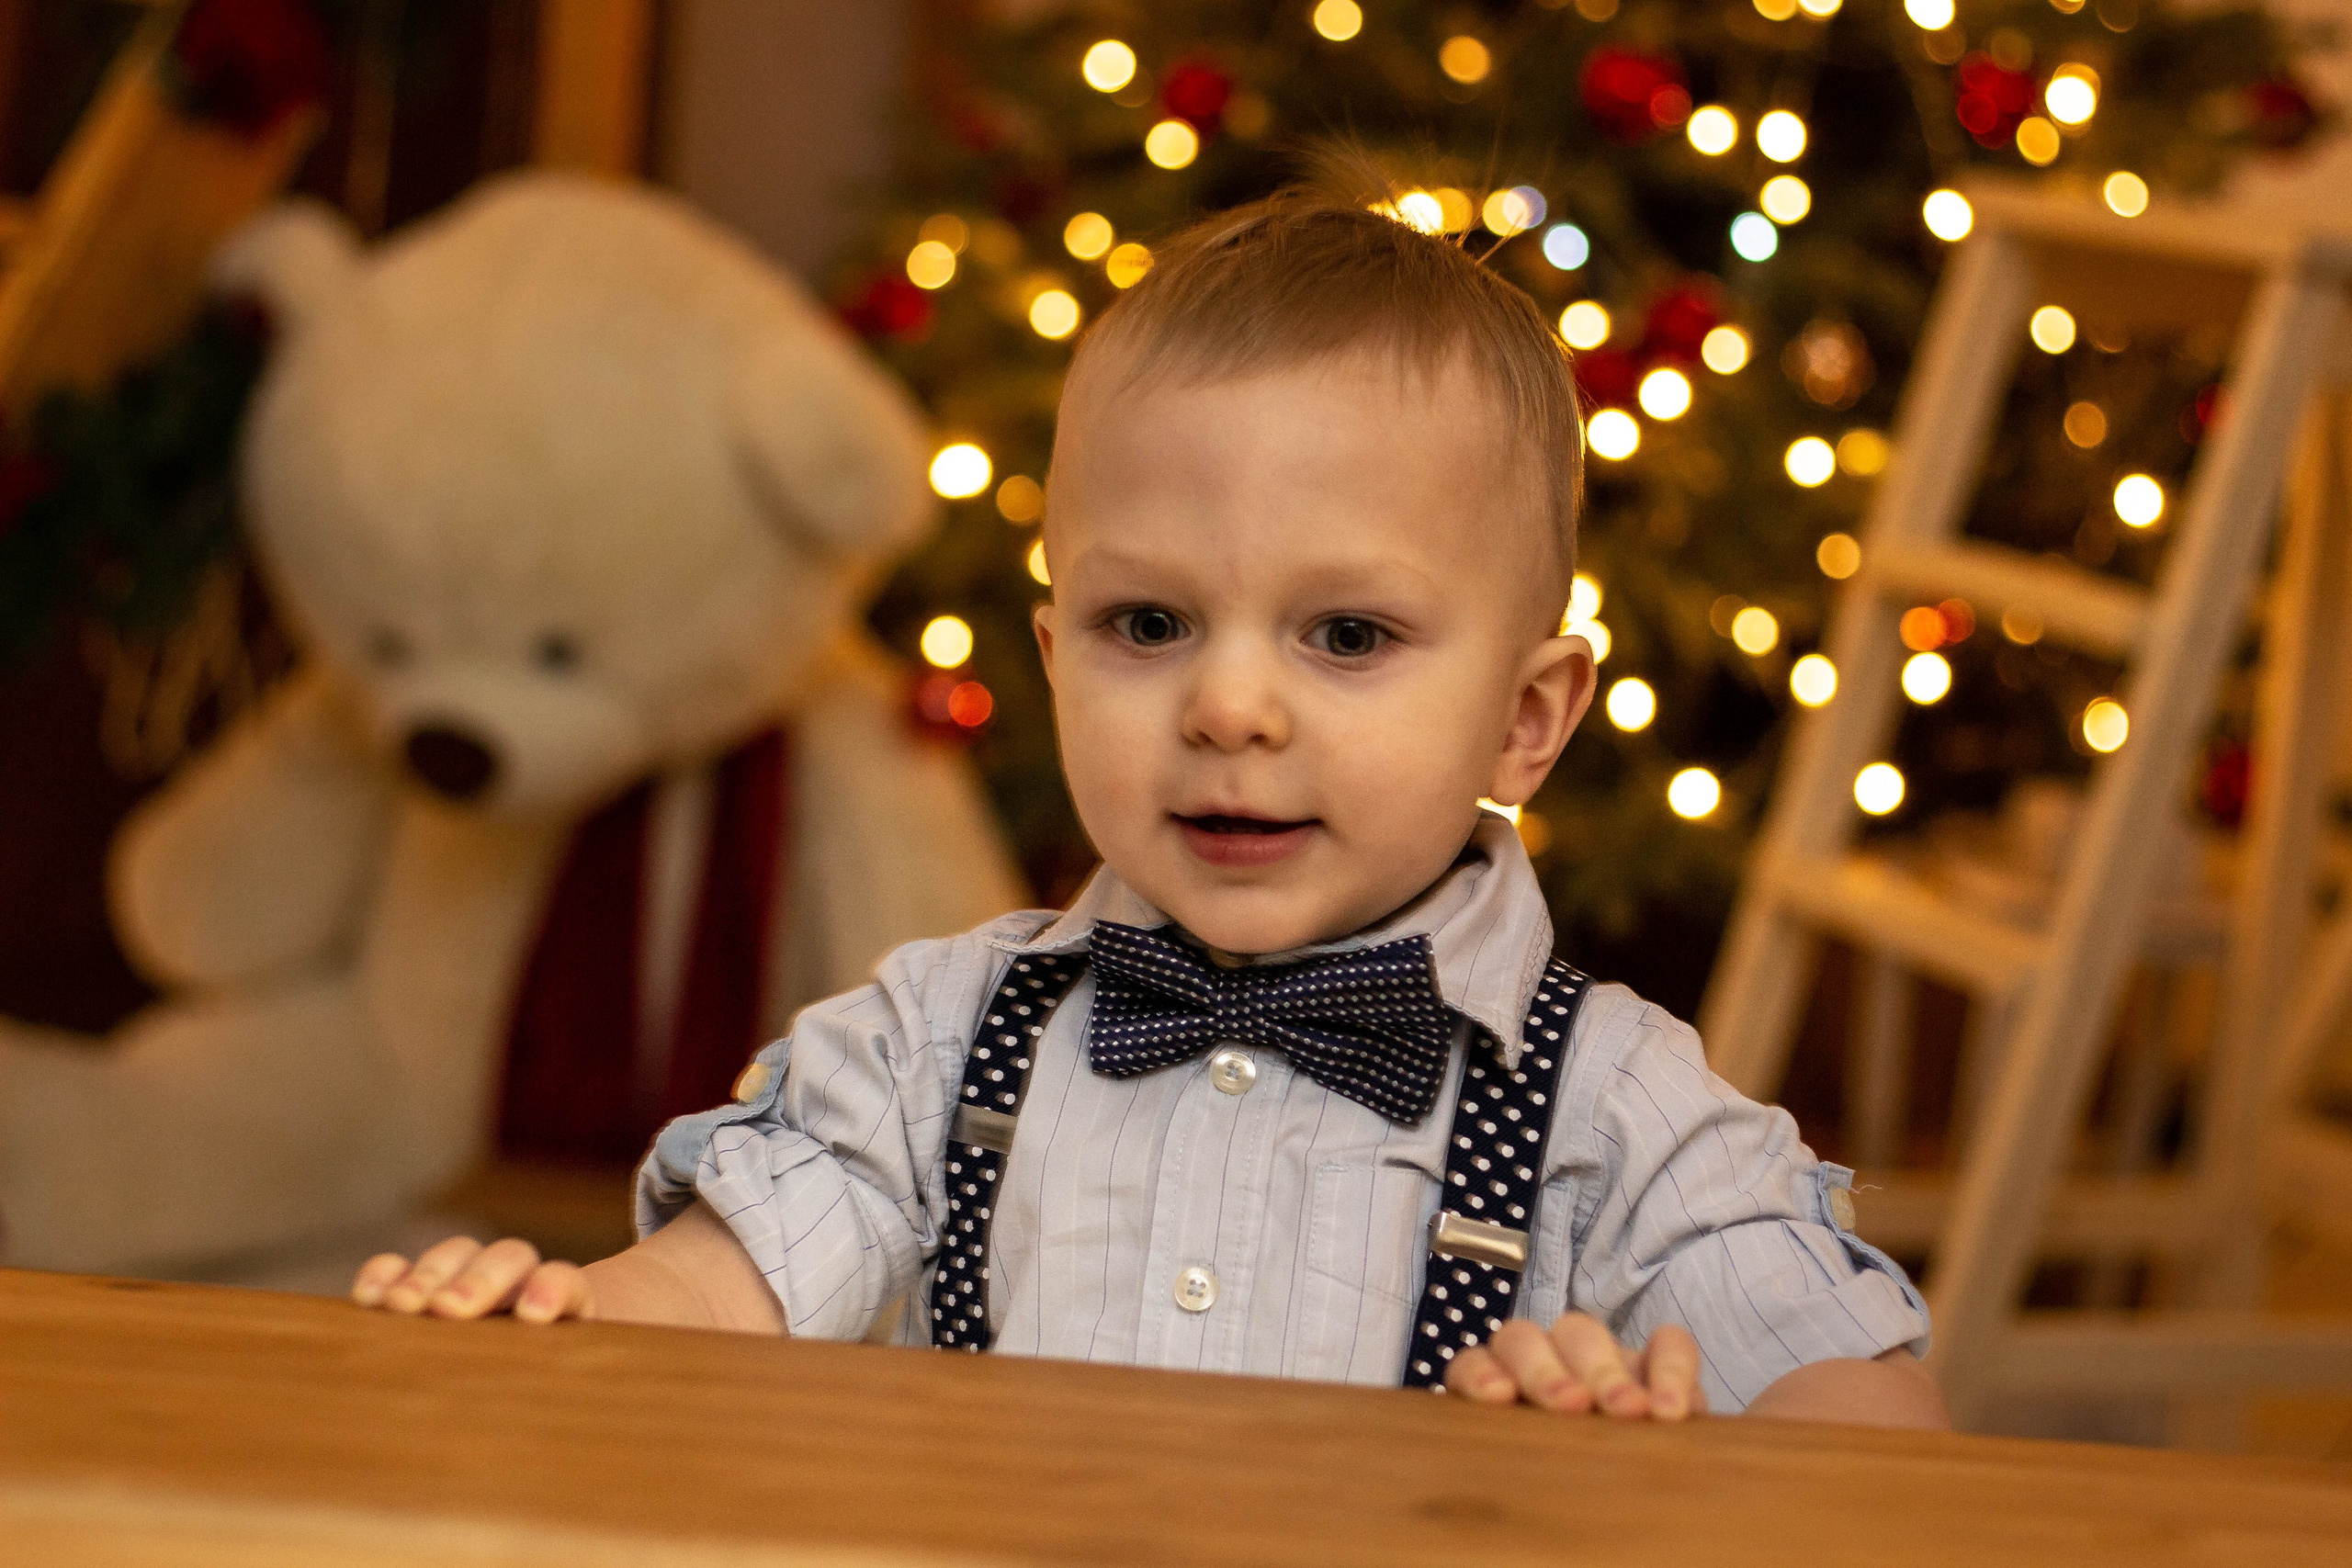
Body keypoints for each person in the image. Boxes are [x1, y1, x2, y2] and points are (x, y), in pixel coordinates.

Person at [354, 175, 1947, 1427]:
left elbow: (1863, 1418)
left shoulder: (1617, 1111)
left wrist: (1661, 1466)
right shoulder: (930, 1045)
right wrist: (560, 1324)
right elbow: (720, 1292)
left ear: (1527, 720)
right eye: (1149, 625)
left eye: (1346, 635)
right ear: (1054, 658)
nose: (1229, 708)